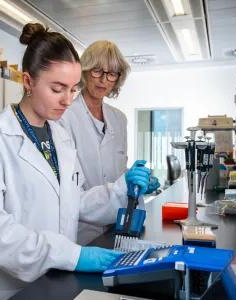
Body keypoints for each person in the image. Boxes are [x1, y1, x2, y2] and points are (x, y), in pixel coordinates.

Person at [0, 23, 153, 300]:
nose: (67, 101)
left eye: (73, 90)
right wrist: (72, 255)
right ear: (28, 82)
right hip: (13, 285)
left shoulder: (60, 137)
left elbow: (75, 202)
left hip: (58, 276)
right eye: (57, 89)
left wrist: (120, 189)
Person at [59, 40, 160, 245]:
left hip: (118, 224)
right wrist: (123, 186)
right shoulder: (64, 117)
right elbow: (69, 191)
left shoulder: (119, 119)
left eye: (111, 74)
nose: (103, 79)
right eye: (97, 70)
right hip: (81, 231)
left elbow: (119, 174)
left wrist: (137, 185)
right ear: (85, 71)